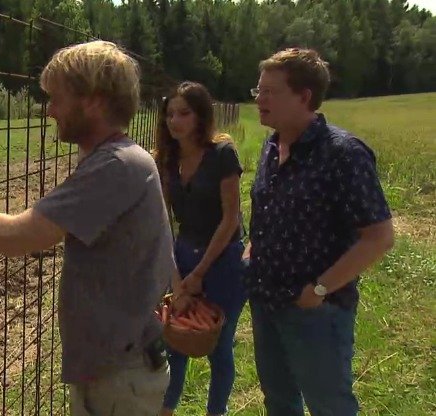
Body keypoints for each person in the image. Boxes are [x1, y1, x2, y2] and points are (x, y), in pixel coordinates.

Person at [0, 40, 176, 415]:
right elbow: (48, 229)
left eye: (57, 99)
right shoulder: (126, 160)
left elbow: (16, 237)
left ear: (93, 100)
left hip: (120, 377)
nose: (50, 111)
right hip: (122, 366)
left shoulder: (115, 167)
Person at [245, 47, 395, 416]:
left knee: (329, 404)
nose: (259, 99)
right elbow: (269, 210)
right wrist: (252, 247)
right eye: (257, 90)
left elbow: (379, 235)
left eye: (270, 91)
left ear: (304, 96)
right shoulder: (272, 144)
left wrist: (320, 289)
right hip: (267, 301)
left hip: (316, 309)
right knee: (279, 402)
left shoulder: (344, 154)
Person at [152, 81, 247, 416]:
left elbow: (230, 219)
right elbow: (164, 223)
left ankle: (215, 412)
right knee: (175, 342)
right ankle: (166, 411)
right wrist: (177, 280)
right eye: (169, 114)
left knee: (218, 346)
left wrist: (199, 273)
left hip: (224, 261)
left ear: (201, 115)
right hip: (182, 254)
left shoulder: (222, 154)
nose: (174, 121)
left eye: (184, 113)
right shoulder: (166, 160)